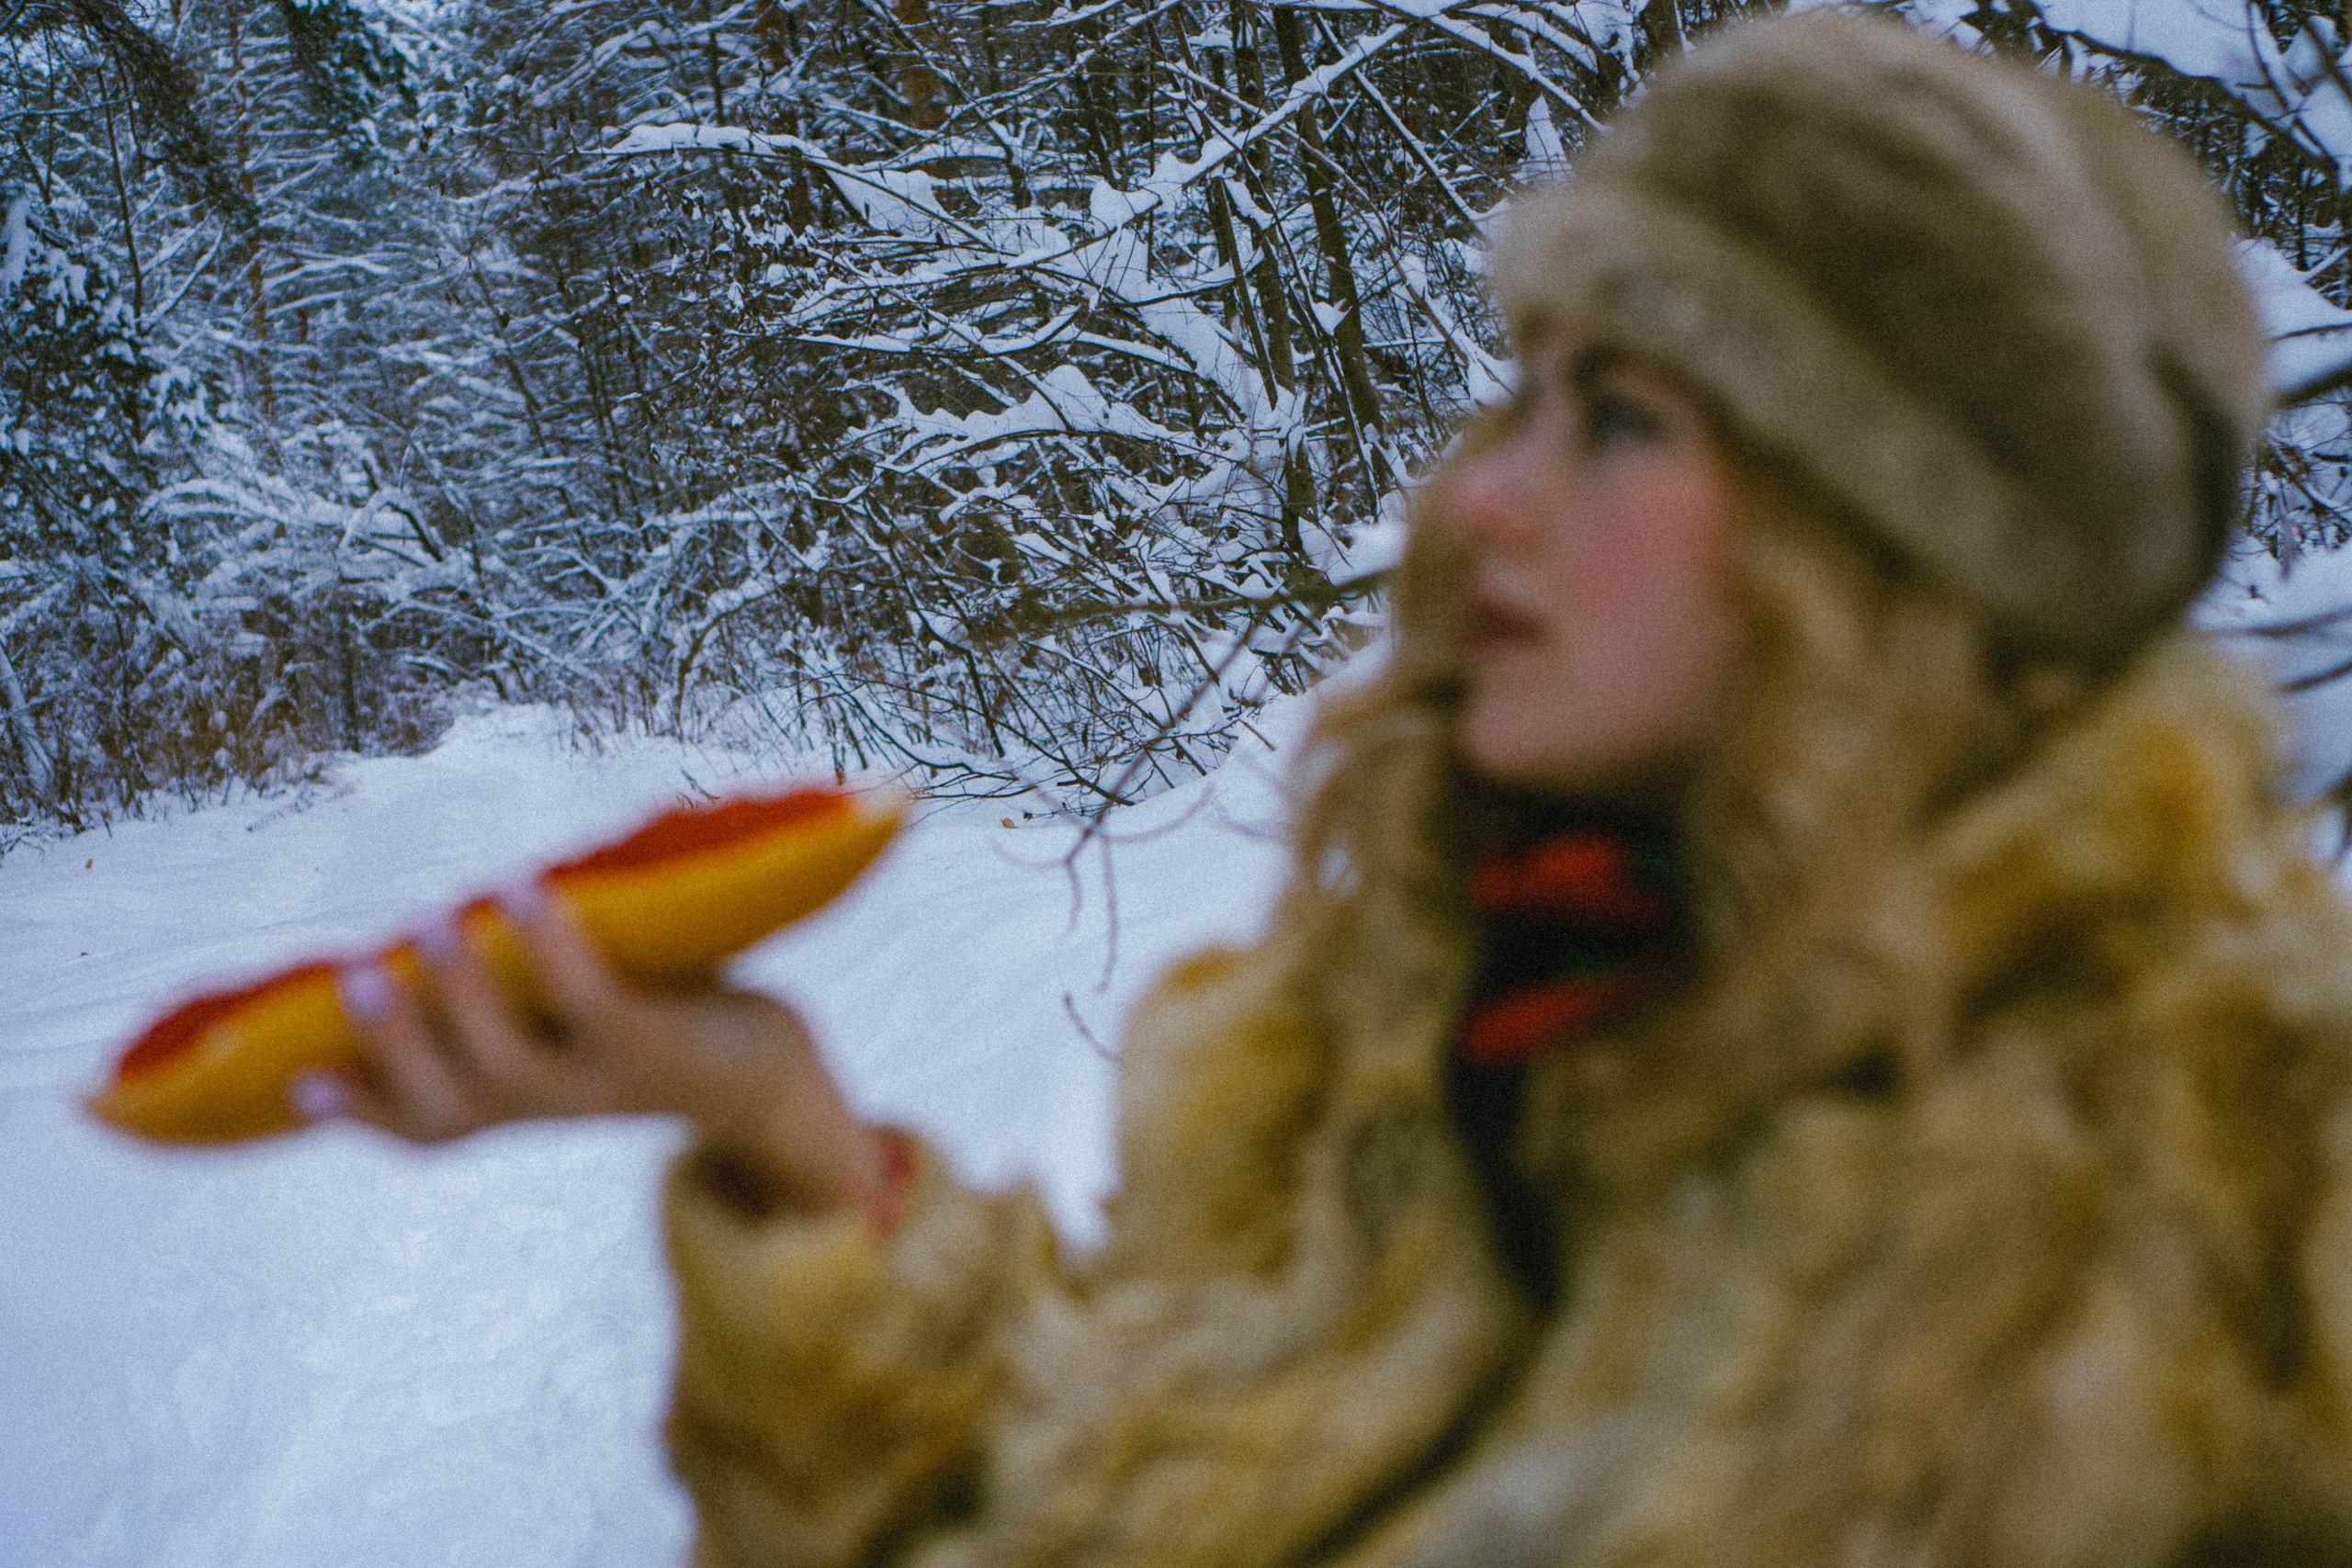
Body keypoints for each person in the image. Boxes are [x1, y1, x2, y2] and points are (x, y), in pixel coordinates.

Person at [302, 12, 2352, 1565]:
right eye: (1518, 392)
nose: (1477, 497)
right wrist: (779, 1126)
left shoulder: (2238, 1184)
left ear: (1896, 540)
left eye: (1619, 416)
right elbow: (1096, 1502)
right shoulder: (1433, 1019)